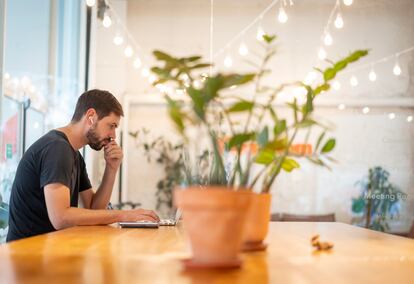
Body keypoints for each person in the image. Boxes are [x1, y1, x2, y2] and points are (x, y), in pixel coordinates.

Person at [6, 89, 159, 242]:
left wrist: (111, 169)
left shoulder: (74, 155)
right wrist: (124, 215)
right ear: (91, 116)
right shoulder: (57, 148)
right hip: (28, 256)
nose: (113, 135)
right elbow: (60, 217)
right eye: (111, 125)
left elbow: (93, 208)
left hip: (47, 251)